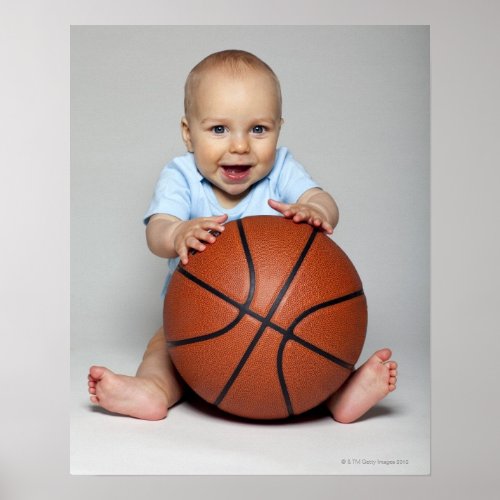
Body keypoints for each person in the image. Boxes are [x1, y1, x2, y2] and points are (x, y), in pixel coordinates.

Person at [87, 49, 397, 424]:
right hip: (195, 319)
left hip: (291, 310)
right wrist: (178, 231)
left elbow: (322, 200)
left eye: (258, 129)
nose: (240, 146)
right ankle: (152, 389)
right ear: (188, 133)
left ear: (278, 129)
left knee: (314, 346)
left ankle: (340, 395)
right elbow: (157, 233)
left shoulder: (282, 169)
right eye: (219, 129)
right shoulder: (182, 176)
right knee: (164, 349)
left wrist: (316, 210)